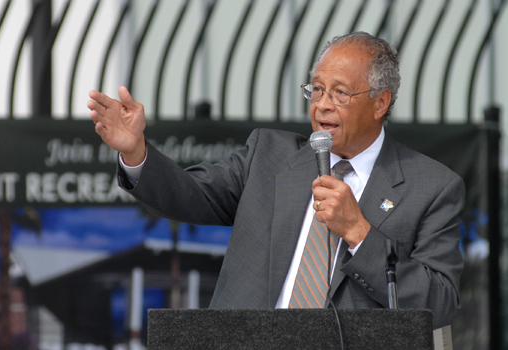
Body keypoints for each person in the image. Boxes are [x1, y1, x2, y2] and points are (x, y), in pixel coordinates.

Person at [87, 32, 464, 329]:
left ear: (381, 103)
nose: (322, 105)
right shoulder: (269, 156)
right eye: (316, 89)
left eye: (340, 93)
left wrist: (360, 233)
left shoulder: (431, 187)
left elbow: (440, 303)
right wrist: (136, 152)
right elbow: (190, 193)